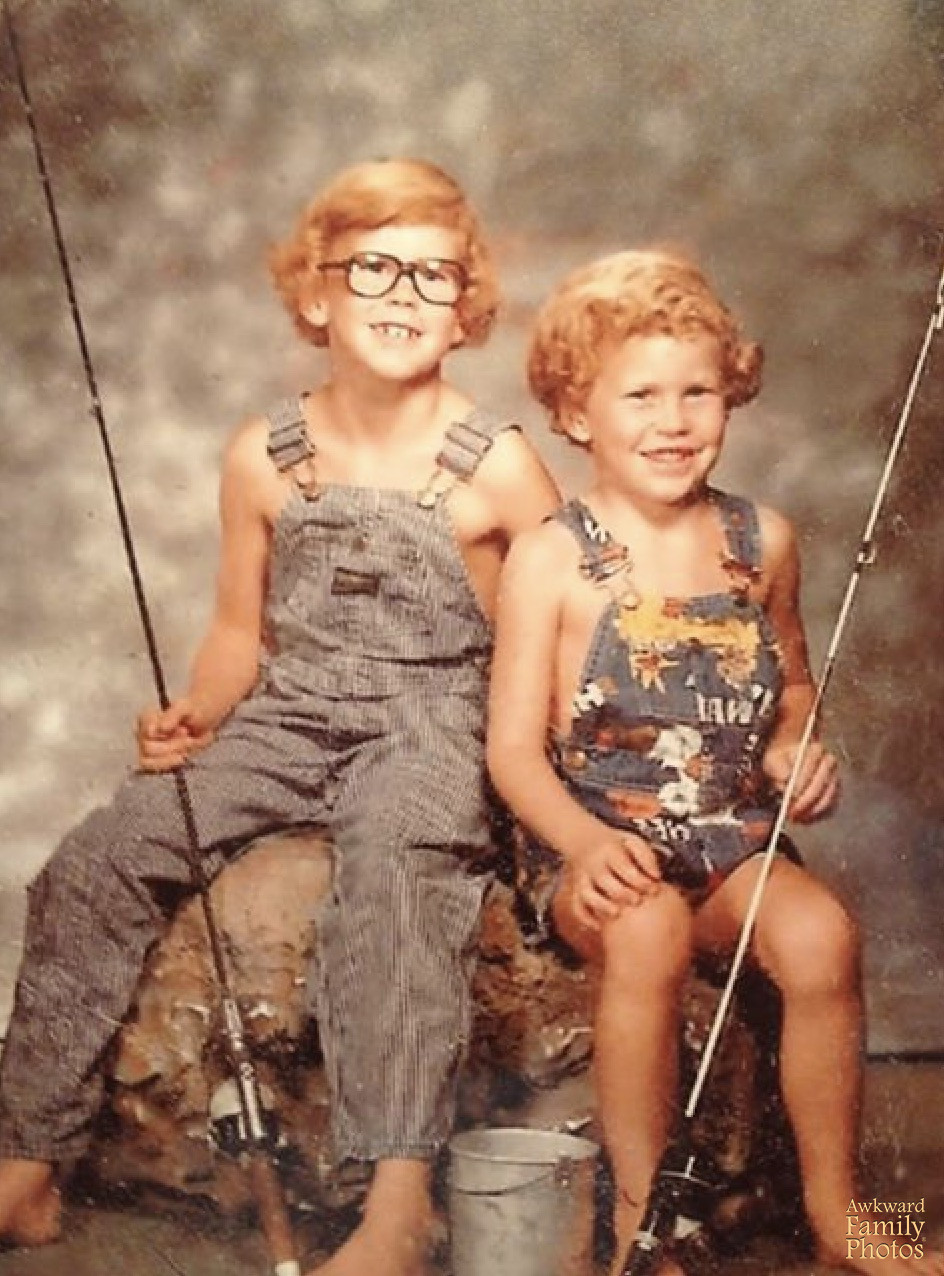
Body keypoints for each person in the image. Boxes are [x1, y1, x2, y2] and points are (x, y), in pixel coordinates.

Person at [0, 157, 560, 1275]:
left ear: (466, 308)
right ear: (315, 292)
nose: (402, 294)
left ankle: (396, 1201)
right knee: (98, 857)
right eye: (372, 269)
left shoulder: (498, 466)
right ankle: (27, 1161)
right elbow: (235, 634)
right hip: (290, 713)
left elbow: (550, 646)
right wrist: (197, 710)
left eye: (433, 275)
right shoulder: (264, 454)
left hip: (438, 717)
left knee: (396, 871)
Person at [487, 248, 944, 1276]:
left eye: (696, 392)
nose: (673, 421)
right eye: (639, 396)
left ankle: (839, 1213)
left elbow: (792, 686)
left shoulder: (758, 540)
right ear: (574, 414)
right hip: (595, 850)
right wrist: (582, 845)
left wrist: (793, 747)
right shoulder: (552, 557)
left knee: (821, 936)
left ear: (731, 394)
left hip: (728, 839)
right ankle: (640, 1225)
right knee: (647, 931)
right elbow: (512, 751)